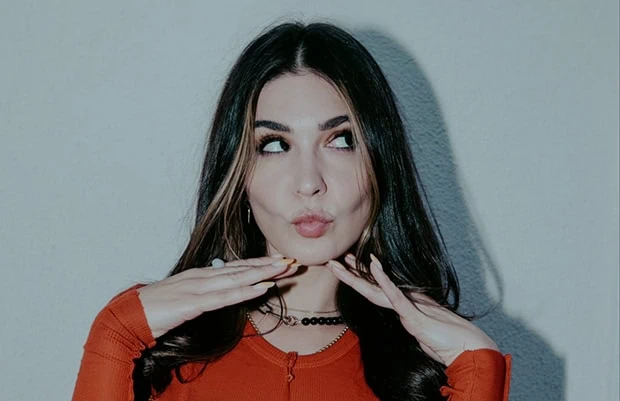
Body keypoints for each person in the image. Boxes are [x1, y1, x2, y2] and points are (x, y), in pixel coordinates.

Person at [71, 21, 512, 401]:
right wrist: (115, 335)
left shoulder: (427, 371)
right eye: (275, 145)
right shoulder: (161, 353)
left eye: (340, 140)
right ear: (238, 173)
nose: (308, 182)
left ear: (380, 164)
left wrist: (477, 368)